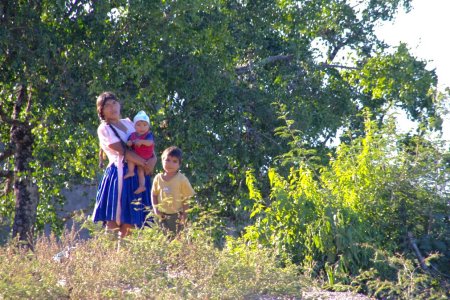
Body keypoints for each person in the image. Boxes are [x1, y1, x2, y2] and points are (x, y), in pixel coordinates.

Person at [92, 92, 157, 239]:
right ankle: (110, 259)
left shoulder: (129, 123)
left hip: (137, 175)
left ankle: (126, 259)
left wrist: (153, 160)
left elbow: (147, 146)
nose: (112, 107)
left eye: (114, 103)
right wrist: (145, 164)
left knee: (131, 223)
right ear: (101, 111)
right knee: (113, 223)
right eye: (107, 105)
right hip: (118, 175)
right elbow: (123, 151)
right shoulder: (104, 129)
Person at [151, 146, 195, 235]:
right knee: (161, 239)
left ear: (179, 164)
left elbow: (186, 199)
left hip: (176, 215)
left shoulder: (182, 179)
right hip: (161, 215)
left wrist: (184, 216)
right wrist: (156, 209)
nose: (170, 164)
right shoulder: (158, 178)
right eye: (167, 160)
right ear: (162, 161)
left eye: (174, 161)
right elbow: (154, 194)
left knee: (175, 239)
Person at [124, 110, 155, 194]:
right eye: (138, 125)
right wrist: (129, 143)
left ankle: (142, 185)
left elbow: (150, 142)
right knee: (131, 160)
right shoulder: (132, 135)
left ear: (148, 126)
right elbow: (128, 143)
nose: (142, 127)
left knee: (141, 170)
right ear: (134, 126)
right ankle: (131, 172)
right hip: (137, 155)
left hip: (146, 156)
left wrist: (142, 142)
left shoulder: (148, 135)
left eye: (145, 125)